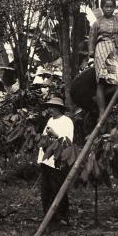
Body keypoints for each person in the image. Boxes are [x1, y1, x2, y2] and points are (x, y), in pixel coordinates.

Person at [88, 0, 118, 118]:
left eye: (111, 6)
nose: (108, 9)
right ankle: (102, 110)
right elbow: (92, 38)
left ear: (114, 7)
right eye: (106, 7)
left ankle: (100, 98)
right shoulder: (97, 23)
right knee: (101, 81)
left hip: (115, 51)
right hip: (101, 50)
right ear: (102, 8)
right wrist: (91, 52)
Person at [37, 96, 75, 226]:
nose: (50, 110)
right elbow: (44, 140)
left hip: (59, 161)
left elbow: (67, 141)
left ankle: (62, 216)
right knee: (46, 190)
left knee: (58, 188)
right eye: (49, 107)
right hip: (47, 161)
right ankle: (48, 217)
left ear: (59, 109)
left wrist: (55, 134)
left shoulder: (67, 121)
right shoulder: (50, 120)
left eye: (52, 107)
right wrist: (40, 159)